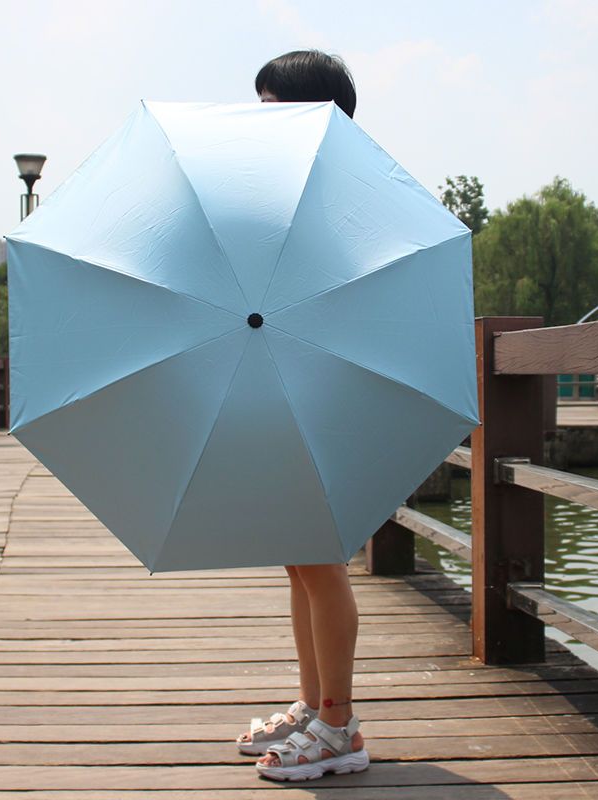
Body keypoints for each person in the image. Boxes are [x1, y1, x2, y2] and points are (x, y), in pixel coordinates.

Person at [235, 50, 370, 782]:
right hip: (288, 381)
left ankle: (339, 726)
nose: (261, 126)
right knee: (299, 556)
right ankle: (316, 706)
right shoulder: (296, 191)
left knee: (319, 558)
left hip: (320, 388)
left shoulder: (337, 191)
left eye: (272, 109)